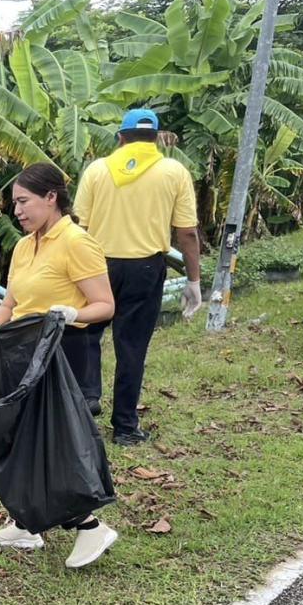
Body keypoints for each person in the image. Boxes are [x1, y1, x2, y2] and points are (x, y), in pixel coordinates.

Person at [0, 163, 119, 568]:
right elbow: (10, 303)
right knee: (18, 439)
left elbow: (105, 305)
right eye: (14, 204)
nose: (16, 211)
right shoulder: (25, 246)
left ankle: (90, 527)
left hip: (62, 354)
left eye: (23, 201)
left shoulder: (76, 242)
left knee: (53, 444)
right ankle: (25, 522)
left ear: (51, 197)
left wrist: (72, 313)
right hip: (23, 354)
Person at [73, 107, 203, 445]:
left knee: (87, 333)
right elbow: (187, 233)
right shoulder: (173, 171)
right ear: (157, 138)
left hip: (95, 265)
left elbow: (77, 228)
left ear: (120, 137)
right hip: (145, 268)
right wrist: (193, 281)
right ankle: (126, 428)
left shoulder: (97, 170)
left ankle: (87, 400)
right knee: (131, 347)